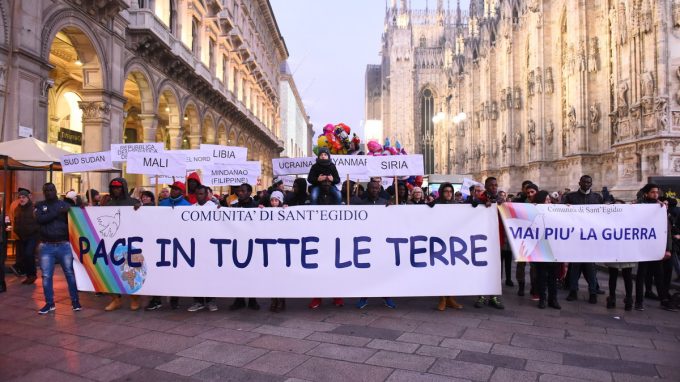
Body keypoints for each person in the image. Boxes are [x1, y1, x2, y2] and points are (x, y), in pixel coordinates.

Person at [34, 182, 80, 314]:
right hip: (46, 245)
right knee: (47, 276)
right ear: (44, 192)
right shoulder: (40, 205)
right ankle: (49, 303)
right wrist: (57, 212)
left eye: (51, 189)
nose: (49, 192)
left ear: (55, 190)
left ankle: (75, 301)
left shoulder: (64, 204)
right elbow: (41, 220)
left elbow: (75, 218)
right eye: (46, 190)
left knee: (70, 274)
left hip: (63, 244)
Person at [146, 181, 188, 311]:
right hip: (161, 242)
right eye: (172, 188)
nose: (173, 191)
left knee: (175, 272)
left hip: (178, 243)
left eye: (176, 189)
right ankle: (156, 299)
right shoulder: (162, 203)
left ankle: (175, 299)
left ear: (181, 191)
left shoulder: (188, 205)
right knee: (157, 271)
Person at [101, 178, 142, 311]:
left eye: (118, 187)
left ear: (123, 187)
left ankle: (134, 298)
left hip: (130, 242)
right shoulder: (108, 204)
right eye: (113, 187)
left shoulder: (133, 202)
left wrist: (140, 208)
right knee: (112, 272)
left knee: (131, 270)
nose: (116, 190)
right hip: (113, 243)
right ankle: (116, 299)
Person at [355, 181, 396, 310]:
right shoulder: (362, 203)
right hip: (366, 242)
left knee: (383, 270)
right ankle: (364, 296)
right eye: (372, 188)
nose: (374, 190)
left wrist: (393, 207)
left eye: (376, 188)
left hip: (382, 242)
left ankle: (386, 295)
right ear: (368, 189)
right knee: (367, 271)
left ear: (380, 189)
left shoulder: (385, 202)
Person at [634, 183, 674, 311]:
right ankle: (639, 301)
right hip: (643, 246)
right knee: (641, 274)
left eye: (657, 192)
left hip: (656, 246)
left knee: (659, 274)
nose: (655, 194)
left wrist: (667, 248)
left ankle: (664, 299)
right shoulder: (639, 205)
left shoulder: (660, 207)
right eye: (652, 192)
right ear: (646, 193)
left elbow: (666, 229)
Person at [563, 175, 603, 304]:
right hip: (575, 237)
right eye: (584, 182)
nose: (586, 184)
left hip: (591, 238)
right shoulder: (571, 197)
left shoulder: (597, 197)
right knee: (575, 266)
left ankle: (592, 292)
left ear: (591, 184)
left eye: (589, 182)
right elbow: (560, 211)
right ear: (579, 182)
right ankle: (573, 291)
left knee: (591, 267)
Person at [431, 182, 464, 311]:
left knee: (452, 272)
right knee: (441, 271)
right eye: (446, 191)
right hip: (439, 243)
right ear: (441, 192)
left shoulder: (457, 205)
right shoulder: (436, 204)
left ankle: (450, 298)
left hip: (454, 242)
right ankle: (442, 299)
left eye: (451, 191)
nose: (449, 193)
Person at [473, 177, 505, 310]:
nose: (494, 187)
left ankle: (494, 296)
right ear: (486, 186)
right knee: (482, 268)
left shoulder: (501, 201)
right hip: (482, 240)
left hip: (497, 239)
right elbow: (471, 207)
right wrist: (482, 205)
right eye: (491, 185)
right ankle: (481, 295)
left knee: (497, 269)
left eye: (496, 185)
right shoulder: (479, 200)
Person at [186, 185, 219, 313]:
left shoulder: (214, 207)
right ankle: (198, 301)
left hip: (210, 247)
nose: (199, 196)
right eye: (197, 194)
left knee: (210, 274)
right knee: (196, 275)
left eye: (201, 194)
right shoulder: (191, 209)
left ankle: (211, 300)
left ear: (207, 195)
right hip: (196, 247)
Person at [229, 183, 260, 310]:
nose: (239, 193)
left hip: (253, 244)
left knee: (252, 273)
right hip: (238, 244)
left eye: (242, 191)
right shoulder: (234, 206)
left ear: (249, 192)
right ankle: (239, 299)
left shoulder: (257, 206)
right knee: (238, 273)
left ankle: (252, 299)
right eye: (239, 191)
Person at [532, 190, 561, 309]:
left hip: (554, 248)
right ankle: (542, 299)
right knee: (542, 276)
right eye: (546, 200)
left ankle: (553, 299)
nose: (549, 202)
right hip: (541, 248)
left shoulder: (556, 212)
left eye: (549, 200)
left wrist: (568, 209)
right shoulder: (536, 213)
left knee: (553, 277)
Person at [516, 183, 538, 298]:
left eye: (532, 192)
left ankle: (534, 287)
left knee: (534, 266)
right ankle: (521, 285)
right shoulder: (520, 203)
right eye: (527, 192)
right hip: (522, 239)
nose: (529, 194)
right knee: (521, 265)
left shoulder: (542, 203)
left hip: (536, 240)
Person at [12, 189, 39, 285]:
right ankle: (28, 275)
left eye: (23, 197)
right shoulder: (17, 209)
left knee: (28, 254)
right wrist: (16, 230)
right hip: (21, 236)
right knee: (25, 255)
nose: (21, 199)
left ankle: (32, 274)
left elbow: (38, 222)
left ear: (28, 198)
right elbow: (15, 222)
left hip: (32, 236)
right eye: (19, 197)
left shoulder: (33, 208)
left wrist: (34, 231)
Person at [267, 191, 287, 313]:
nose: (274, 203)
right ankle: (273, 300)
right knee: (271, 277)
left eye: (276, 200)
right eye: (272, 200)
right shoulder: (267, 211)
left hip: (281, 249)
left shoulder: (285, 211)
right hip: (270, 249)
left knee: (280, 276)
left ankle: (281, 300)